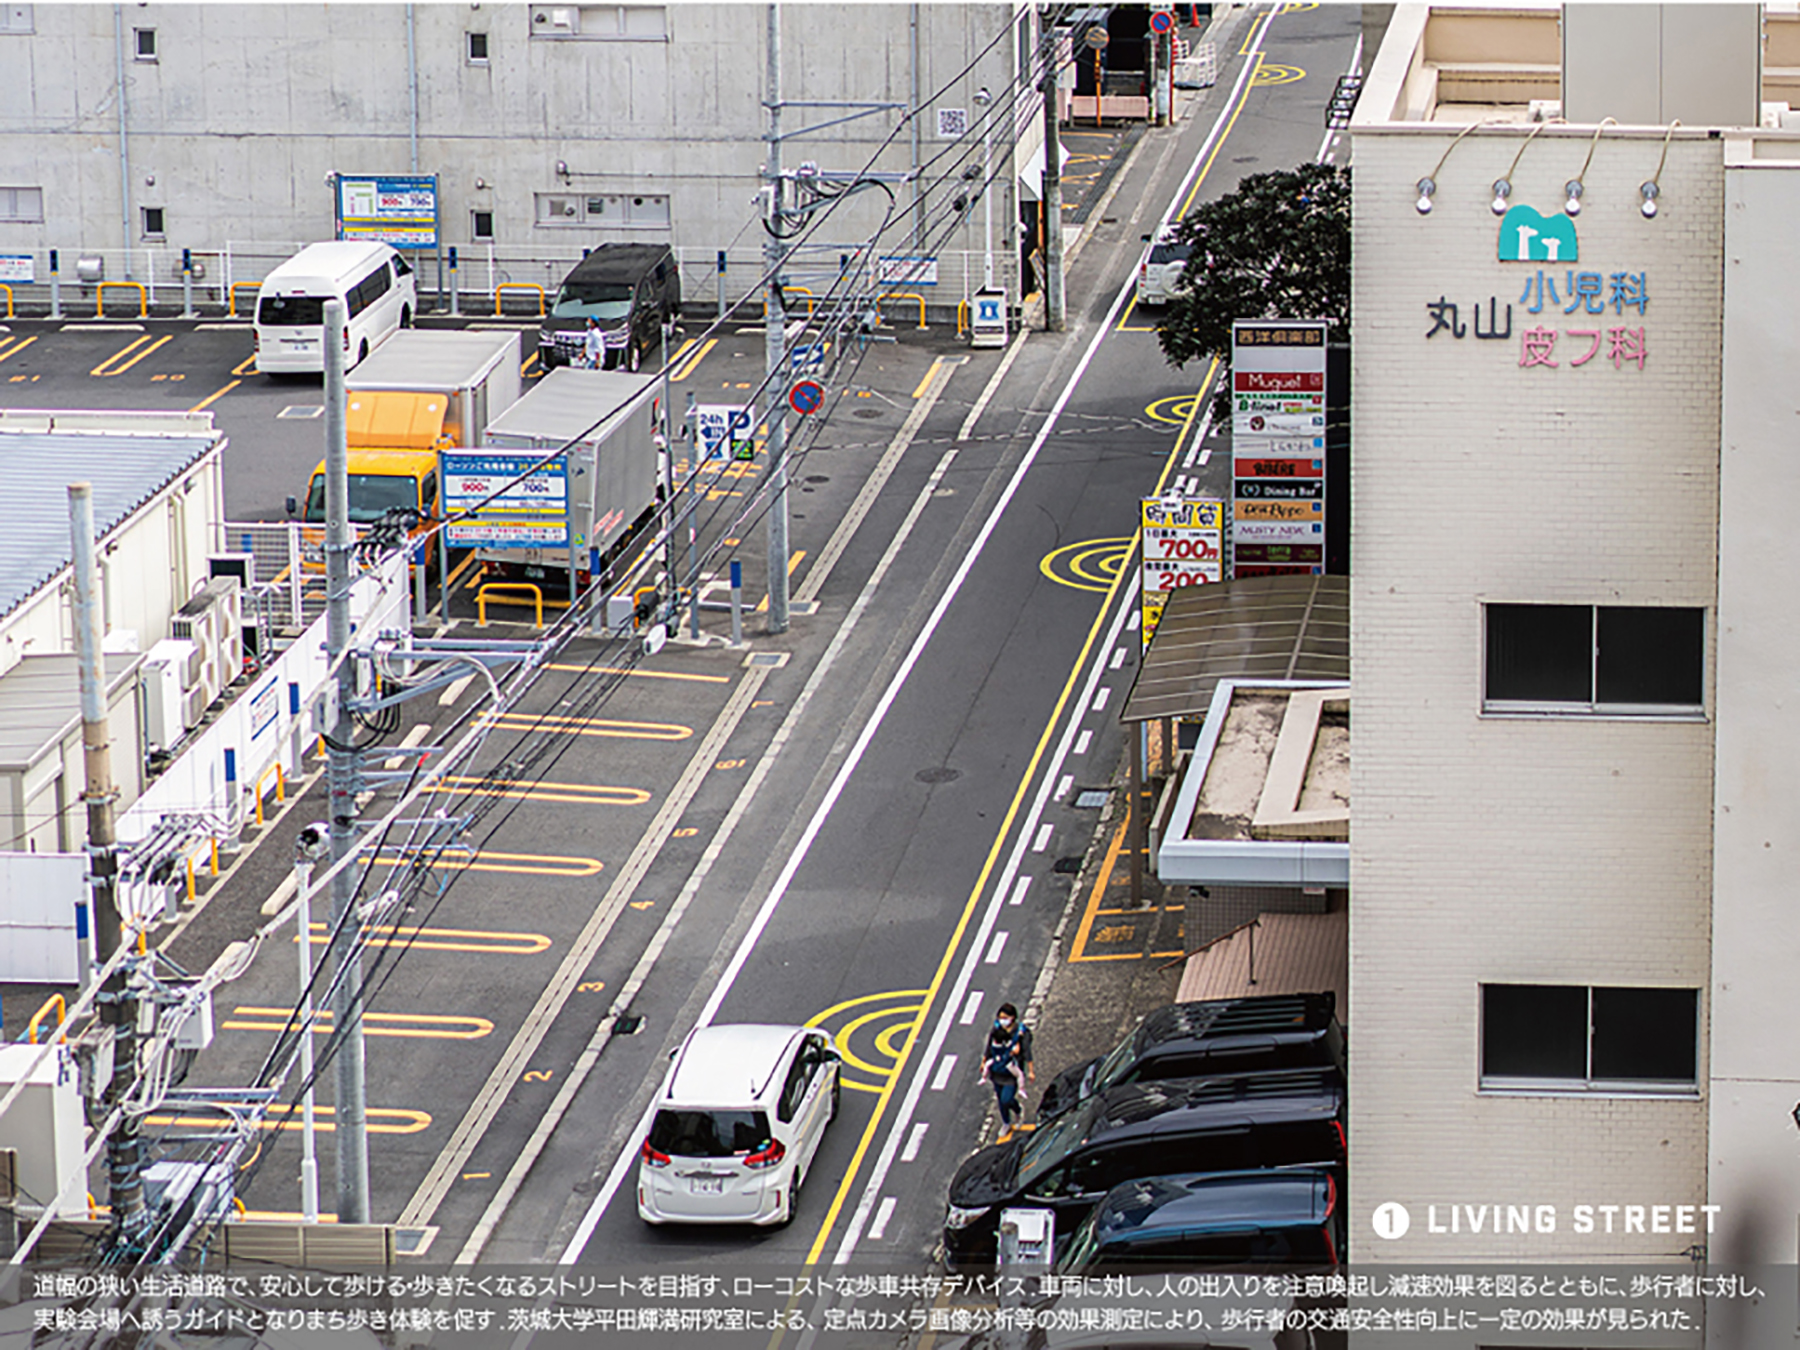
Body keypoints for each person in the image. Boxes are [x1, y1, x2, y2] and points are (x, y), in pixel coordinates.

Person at [981, 1002, 1035, 1143]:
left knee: (1007, 1098)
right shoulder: (996, 1030)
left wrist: (1030, 1070)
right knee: (1000, 1099)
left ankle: (1017, 1109)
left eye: (1005, 1017)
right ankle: (1006, 1122)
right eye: (1000, 1017)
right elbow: (989, 1047)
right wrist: (984, 1061)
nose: (1002, 1020)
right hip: (997, 1070)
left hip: (1011, 1071)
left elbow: (1027, 1052)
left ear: (1013, 1017)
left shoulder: (1021, 1032)